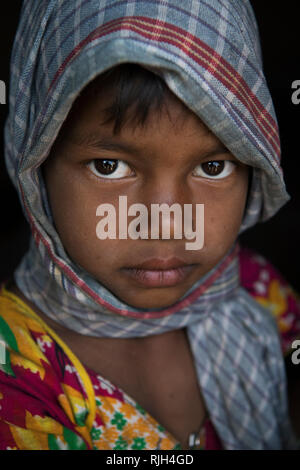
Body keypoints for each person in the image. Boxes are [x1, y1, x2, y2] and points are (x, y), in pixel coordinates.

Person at [0, 0, 299, 451]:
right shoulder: (16, 382)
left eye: (213, 168)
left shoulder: (258, 293)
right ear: (35, 166)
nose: (164, 224)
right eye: (109, 166)